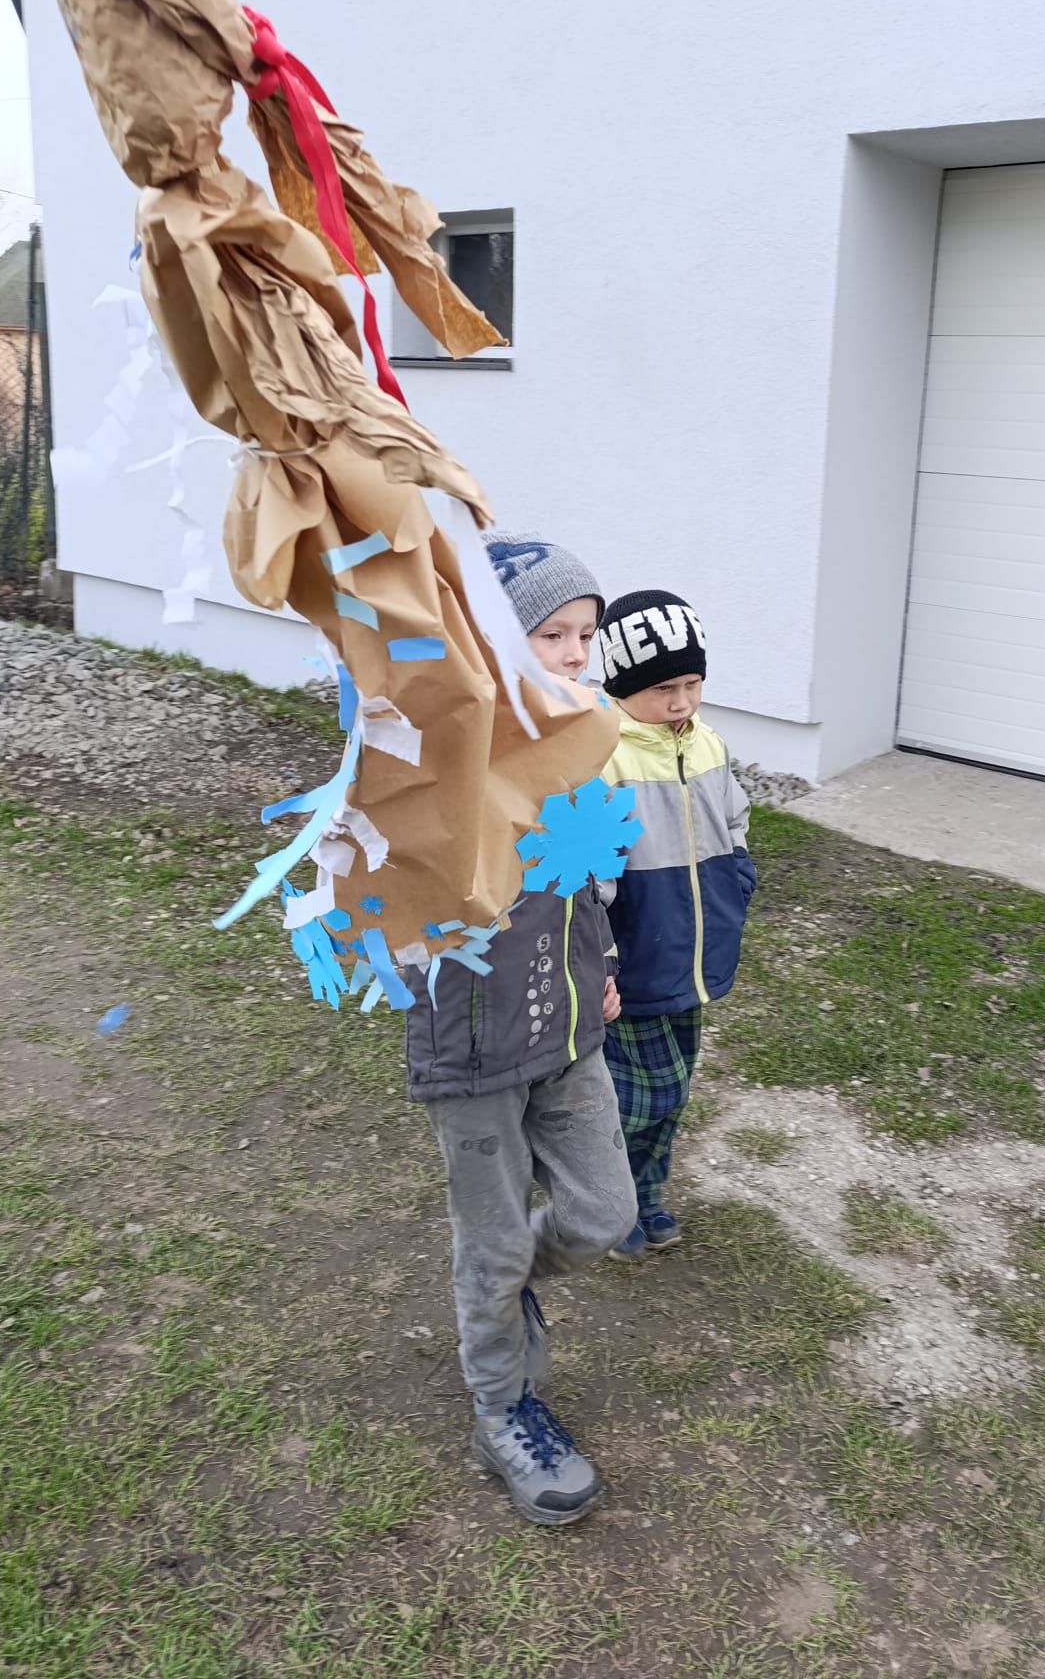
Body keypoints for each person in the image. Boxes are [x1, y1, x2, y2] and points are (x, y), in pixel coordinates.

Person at [404, 534, 637, 1526]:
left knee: (604, 1214)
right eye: (552, 635)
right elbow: (394, 891)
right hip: (474, 1056)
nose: (578, 653)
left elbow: (593, 884)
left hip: (571, 1030)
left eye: (586, 633)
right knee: (492, 1245)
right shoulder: (438, 765)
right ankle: (502, 1408)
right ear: (495, 644)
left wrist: (606, 967)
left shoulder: (577, 752)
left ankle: (500, 1290)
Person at [595, 590, 756, 1260]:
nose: (682, 701)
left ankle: (646, 1194)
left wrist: (739, 878)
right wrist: (598, 957)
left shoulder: (708, 744)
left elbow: (735, 817)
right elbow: (583, 875)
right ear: (619, 684)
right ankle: (605, 1201)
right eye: (664, 688)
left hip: (691, 958)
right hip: (630, 963)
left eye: (692, 684)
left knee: (674, 1090)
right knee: (638, 1096)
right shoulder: (601, 757)